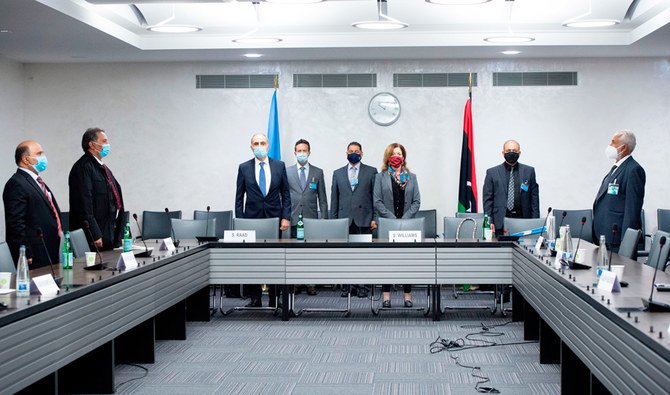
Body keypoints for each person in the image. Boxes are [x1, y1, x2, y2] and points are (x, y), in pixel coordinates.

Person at [235, 133, 291, 307]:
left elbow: (286, 194)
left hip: (274, 219)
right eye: (256, 143)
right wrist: (240, 221)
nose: (259, 146)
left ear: (268, 146)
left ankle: (276, 297)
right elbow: (239, 197)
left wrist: (285, 217)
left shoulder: (279, 166)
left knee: (276, 258)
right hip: (251, 220)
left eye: (262, 143)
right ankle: (255, 297)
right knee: (253, 259)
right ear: (251, 147)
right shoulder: (244, 167)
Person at [373, 143, 421, 308]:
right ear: (388, 157)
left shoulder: (412, 177)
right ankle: (386, 296)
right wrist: (392, 219)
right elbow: (377, 201)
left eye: (399, 153)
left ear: (404, 157)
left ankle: (407, 295)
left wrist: (404, 219)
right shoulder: (380, 177)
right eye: (393, 153)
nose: (396, 156)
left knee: (407, 261)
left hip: (407, 225)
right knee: (387, 261)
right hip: (387, 225)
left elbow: (416, 202)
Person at [3, 141, 62, 269]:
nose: (43, 157)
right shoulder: (16, 184)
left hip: (49, 247)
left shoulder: (36, 181)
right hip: (35, 253)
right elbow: (15, 224)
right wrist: (24, 253)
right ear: (26, 159)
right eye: (39, 153)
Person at [330, 141, 377, 298]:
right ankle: (347, 286)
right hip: (344, 221)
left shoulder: (371, 172)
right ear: (346, 153)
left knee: (363, 255)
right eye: (351, 151)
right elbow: (334, 200)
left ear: (362, 154)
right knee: (345, 255)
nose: (354, 153)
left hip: (364, 219)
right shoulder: (337, 173)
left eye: (357, 151)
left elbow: (375, 198)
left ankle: (363, 286)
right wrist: (334, 222)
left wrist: (374, 218)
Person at [69, 127, 125, 250]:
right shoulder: (83, 168)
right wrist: (94, 233)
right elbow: (84, 204)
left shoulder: (102, 167)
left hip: (109, 232)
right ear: (92, 145)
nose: (108, 145)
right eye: (104, 141)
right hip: (96, 237)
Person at [286, 139, 328, 296]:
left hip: (312, 219)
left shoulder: (318, 172)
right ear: (295, 152)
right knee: (294, 253)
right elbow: (283, 197)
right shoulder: (287, 172)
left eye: (305, 151)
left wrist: (324, 219)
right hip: (292, 218)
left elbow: (322, 198)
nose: (302, 153)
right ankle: (295, 283)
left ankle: (311, 283)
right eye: (299, 151)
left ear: (309, 152)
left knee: (311, 253)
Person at [593, 130, 645, 253]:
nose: (609, 145)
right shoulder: (616, 168)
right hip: (604, 235)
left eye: (613, 142)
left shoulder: (633, 170)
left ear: (624, 147)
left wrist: (627, 243)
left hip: (617, 240)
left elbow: (632, 210)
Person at [483, 139, 540, 236]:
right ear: (503, 153)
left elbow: (534, 200)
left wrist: (535, 222)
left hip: (524, 222)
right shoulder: (492, 173)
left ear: (519, 153)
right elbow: (487, 200)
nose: (511, 153)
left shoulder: (529, 171)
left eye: (514, 151)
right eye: (508, 151)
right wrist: (489, 221)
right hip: (499, 222)